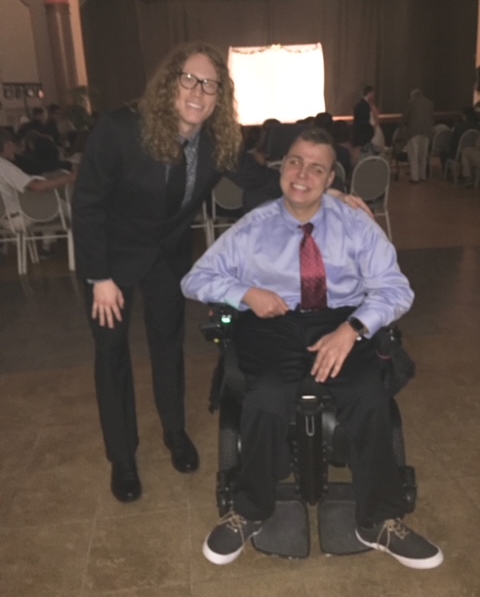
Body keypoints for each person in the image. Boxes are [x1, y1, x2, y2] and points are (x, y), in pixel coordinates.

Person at [181, 127, 443, 570]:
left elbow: (396, 288)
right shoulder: (253, 227)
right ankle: (251, 510)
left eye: (316, 168)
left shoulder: (355, 222)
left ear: (329, 180)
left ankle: (378, 520)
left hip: (341, 320)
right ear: (282, 168)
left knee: (367, 394)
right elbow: (195, 279)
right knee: (265, 395)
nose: (303, 174)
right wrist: (246, 293)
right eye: (295, 163)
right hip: (272, 321)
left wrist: (353, 328)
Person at [71, 41, 280, 505]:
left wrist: (326, 193)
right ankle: (123, 458)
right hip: (110, 261)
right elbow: (87, 205)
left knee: (168, 348)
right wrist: (100, 277)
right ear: (170, 83)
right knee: (112, 355)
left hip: (166, 259)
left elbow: (262, 182)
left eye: (210, 85)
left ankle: (175, 431)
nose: (198, 92)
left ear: (219, 96)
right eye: (189, 79)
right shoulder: (120, 129)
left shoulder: (215, 141)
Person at [0, 129, 76, 233]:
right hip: (16, 219)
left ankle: (47, 242)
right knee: (62, 206)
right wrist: (68, 178)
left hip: (3, 218)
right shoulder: (4, 166)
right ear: (8, 144)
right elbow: (36, 187)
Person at [399, 89, 434, 183]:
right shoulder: (429, 103)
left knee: (414, 155)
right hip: (427, 132)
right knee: (423, 155)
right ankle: (423, 176)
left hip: (414, 132)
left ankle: (415, 177)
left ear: (413, 95)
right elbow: (432, 118)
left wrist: (400, 128)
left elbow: (404, 117)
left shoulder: (410, 102)